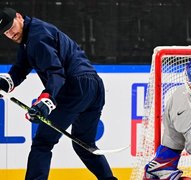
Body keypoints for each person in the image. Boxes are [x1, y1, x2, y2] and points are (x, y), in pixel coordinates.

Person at [0, 7, 117, 180]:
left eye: (11, 27)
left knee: (42, 143)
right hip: (94, 86)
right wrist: (5, 83)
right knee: (84, 144)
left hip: (74, 87)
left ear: (19, 16)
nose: (11, 34)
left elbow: (55, 72)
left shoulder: (36, 38)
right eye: (6, 32)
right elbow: (20, 68)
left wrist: (47, 100)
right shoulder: (31, 35)